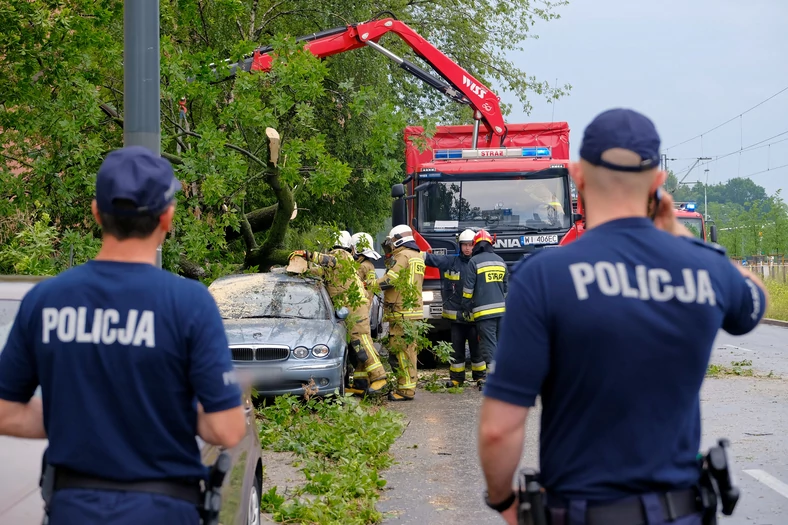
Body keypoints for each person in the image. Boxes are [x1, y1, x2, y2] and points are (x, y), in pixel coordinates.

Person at [477, 108, 769, 525]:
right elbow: (755, 301)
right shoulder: (706, 268)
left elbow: (498, 429)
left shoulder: (543, 276)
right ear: (657, 183)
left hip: (579, 514)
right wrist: (684, 241)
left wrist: (503, 501)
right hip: (681, 514)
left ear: (578, 176)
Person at [0, 146, 247, 524]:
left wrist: (82, 416)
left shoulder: (45, 301)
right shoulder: (189, 304)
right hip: (163, 511)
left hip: (73, 509)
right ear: (167, 217)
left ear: (97, 213)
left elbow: (5, 410)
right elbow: (226, 428)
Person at [291, 231, 388, 395]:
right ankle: (362, 382)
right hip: (351, 308)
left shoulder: (341, 255)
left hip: (354, 308)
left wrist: (307, 254)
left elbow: (327, 260)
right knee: (357, 346)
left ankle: (379, 377)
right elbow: (319, 272)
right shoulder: (341, 264)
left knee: (362, 341)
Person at [422, 228, 486, 387]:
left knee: (477, 350)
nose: (467, 248)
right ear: (460, 245)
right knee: (456, 350)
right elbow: (432, 259)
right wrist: (413, 252)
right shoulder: (452, 262)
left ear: (475, 245)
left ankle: (480, 378)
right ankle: (456, 379)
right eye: (464, 245)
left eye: (471, 245)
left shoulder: (480, 263)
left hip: (474, 317)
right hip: (456, 318)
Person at [378, 224, 425, 401]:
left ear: (399, 239)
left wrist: (370, 285)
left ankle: (405, 390)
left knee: (401, 351)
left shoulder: (403, 256)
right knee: (410, 350)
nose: (391, 245)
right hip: (412, 311)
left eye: (392, 242)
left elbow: (390, 279)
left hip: (401, 310)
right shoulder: (417, 256)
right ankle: (407, 386)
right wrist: (389, 255)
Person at [461, 229, 508, 367]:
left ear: (475, 245)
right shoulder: (500, 261)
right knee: (501, 344)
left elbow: (468, 289)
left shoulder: (474, 261)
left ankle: (494, 379)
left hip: (484, 314)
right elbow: (506, 289)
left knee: (489, 346)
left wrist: (466, 306)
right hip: (502, 312)